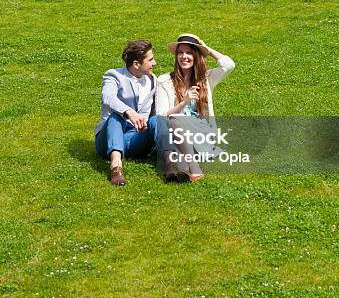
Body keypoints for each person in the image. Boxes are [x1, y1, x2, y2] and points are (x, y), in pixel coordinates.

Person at [95, 39, 181, 185]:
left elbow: (155, 111)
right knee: (117, 116)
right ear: (136, 64)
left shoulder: (152, 79)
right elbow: (107, 97)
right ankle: (116, 167)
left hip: (135, 139)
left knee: (157, 119)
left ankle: (171, 165)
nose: (154, 63)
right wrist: (128, 111)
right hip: (109, 138)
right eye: (151, 60)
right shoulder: (114, 75)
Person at [155, 34, 235, 181]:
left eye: (189, 52)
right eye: (180, 52)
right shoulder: (164, 81)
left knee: (175, 122)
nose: (184, 56)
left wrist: (207, 49)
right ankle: (183, 169)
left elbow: (229, 65)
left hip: (199, 132)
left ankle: (193, 167)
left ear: (196, 56)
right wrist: (184, 102)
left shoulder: (205, 78)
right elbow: (162, 115)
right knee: (174, 119)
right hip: (177, 133)